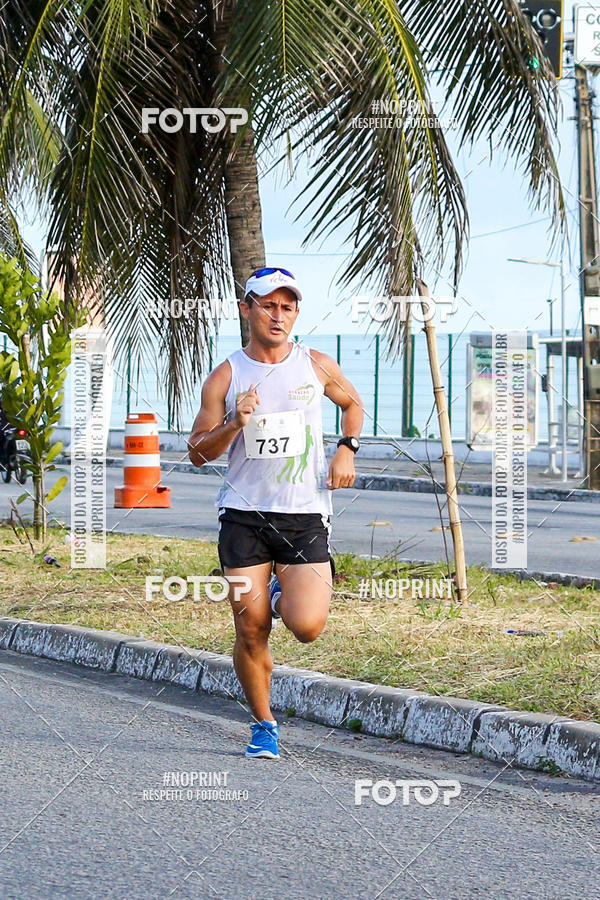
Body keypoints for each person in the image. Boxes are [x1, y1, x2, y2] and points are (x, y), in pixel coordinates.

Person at [188, 267, 363, 759]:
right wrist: (232, 422)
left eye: (287, 307)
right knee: (250, 626)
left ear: (295, 314)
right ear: (247, 310)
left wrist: (346, 448)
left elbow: (353, 404)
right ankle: (263, 724)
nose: (277, 315)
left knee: (306, 627)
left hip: (304, 516)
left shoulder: (315, 364)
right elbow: (198, 452)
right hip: (243, 519)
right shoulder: (227, 374)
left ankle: (285, 587)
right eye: (267, 305)